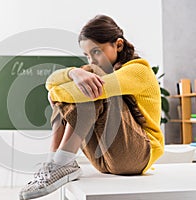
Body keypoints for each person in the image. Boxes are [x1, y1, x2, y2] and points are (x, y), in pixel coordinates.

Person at [19, 14, 164, 200]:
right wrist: (74, 72)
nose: (91, 61)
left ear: (118, 45)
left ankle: (63, 162)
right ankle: (54, 163)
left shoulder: (139, 70)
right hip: (104, 160)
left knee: (92, 89)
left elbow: (56, 89)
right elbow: (50, 81)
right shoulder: (96, 70)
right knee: (85, 84)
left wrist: (53, 94)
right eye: (87, 55)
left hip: (138, 155)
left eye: (96, 52)